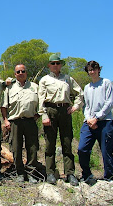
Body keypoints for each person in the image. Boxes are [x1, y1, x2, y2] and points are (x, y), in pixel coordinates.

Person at [38, 53, 83, 186]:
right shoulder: (44, 80)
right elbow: (41, 98)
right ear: (49, 65)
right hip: (50, 110)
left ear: (61, 65)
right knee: (50, 143)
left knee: (67, 142)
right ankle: (50, 173)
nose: (55, 65)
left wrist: (75, 107)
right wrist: (44, 115)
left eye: (58, 63)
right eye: (53, 63)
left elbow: (80, 93)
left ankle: (70, 173)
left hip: (65, 111)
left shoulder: (67, 79)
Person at [78, 60, 113, 185]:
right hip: (89, 122)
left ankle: (110, 177)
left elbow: (109, 102)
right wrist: (89, 119)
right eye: (90, 69)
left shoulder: (106, 83)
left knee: (106, 151)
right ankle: (86, 174)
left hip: (105, 121)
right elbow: (86, 106)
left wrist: (98, 118)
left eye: (94, 69)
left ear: (98, 70)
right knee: (82, 149)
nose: (92, 71)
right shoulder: (87, 87)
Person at [1, 64, 39, 183]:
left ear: (26, 73)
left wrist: (38, 115)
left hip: (30, 121)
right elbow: (4, 106)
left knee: (32, 148)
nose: (21, 73)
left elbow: (41, 103)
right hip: (15, 122)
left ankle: (31, 173)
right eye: (18, 72)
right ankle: (20, 173)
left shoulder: (35, 87)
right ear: (15, 74)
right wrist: (6, 120)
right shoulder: (9, 88)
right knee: (16, 148)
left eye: (23, 71)